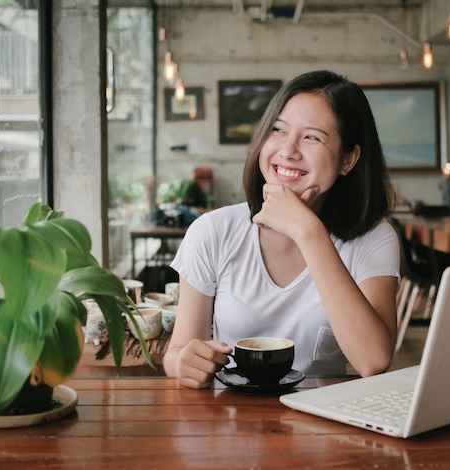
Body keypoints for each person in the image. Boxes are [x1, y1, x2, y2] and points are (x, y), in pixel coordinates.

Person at [163, 70, 400, 389]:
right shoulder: (213, 231)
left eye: (312, 137)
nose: (288, 150)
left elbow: (373, 361)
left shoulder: (373, 238)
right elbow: (176, 353)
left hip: (323, 425)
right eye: (278, 130)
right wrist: (183, 362)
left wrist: (308, 231)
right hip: (229, 423)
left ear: (348, 159)